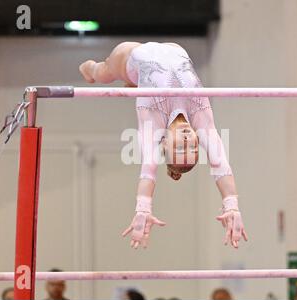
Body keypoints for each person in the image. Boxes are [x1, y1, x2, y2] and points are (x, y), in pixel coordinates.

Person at [79, 42, 248, 249]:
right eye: (194, 149)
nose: (187, 142)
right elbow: (221, 165)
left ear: (164, 143)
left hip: (130, 57)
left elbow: (148, 170)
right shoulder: (200, 116)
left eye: (179, 149)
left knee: (103, 73)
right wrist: (232, 206)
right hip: (173, 48)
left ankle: (91, 70)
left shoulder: (153, 121)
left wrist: (143, 210)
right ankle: (135, 84)